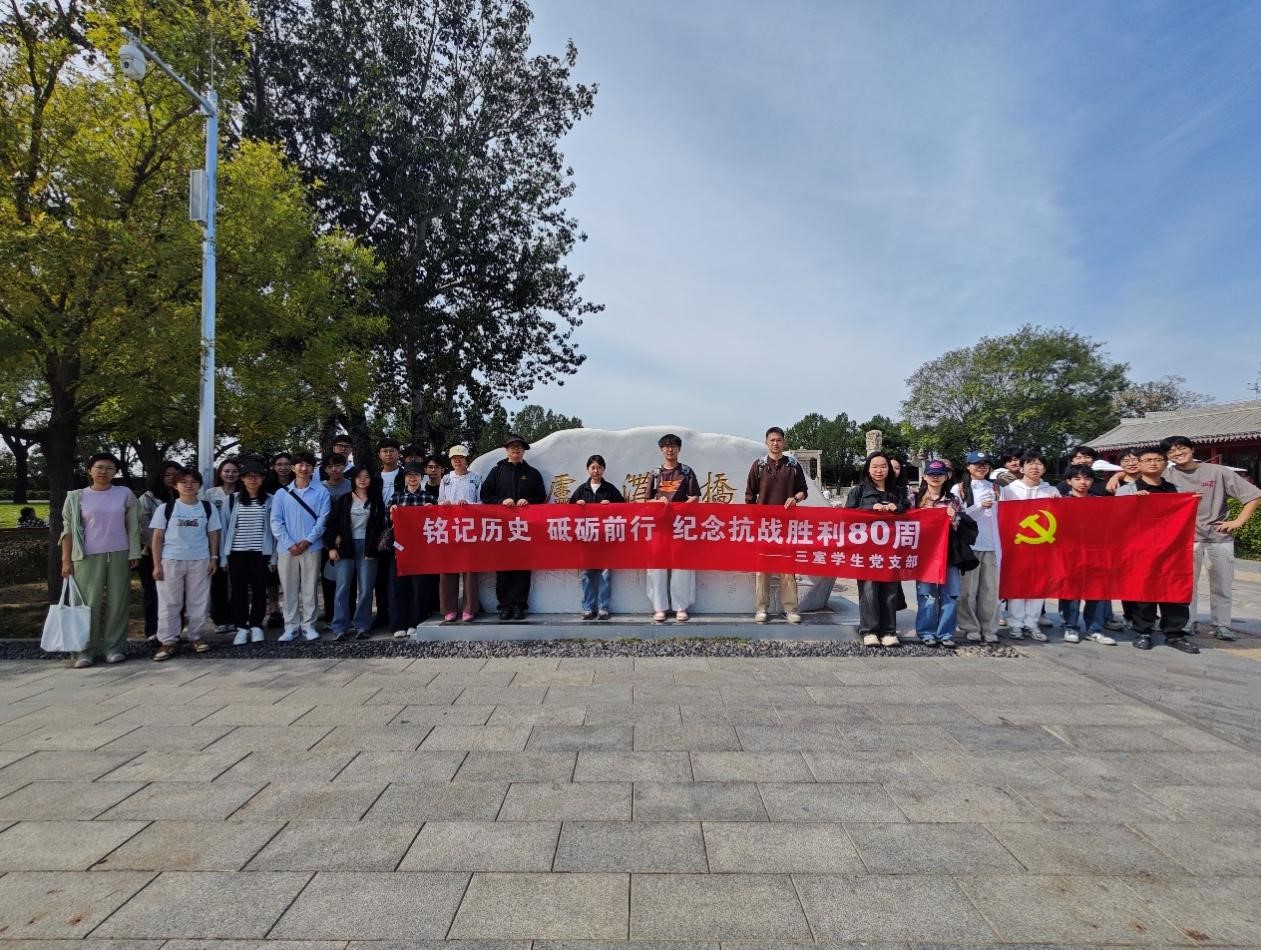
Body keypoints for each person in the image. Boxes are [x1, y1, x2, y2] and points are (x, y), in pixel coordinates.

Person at [1161, 434, 1261, 641]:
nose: (1177, 453)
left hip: (1219, 538)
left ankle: (1222, 625)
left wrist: (1238, 521)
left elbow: (1254, 496)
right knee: (1187, 585)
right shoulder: (1167, 475)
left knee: (1222, 585)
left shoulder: (1218, 472)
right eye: (1171, 451)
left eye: (1181, 448)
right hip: (1185, 540)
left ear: (1192, 449)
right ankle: (1188, 622)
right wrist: (1117, 477)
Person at [59, 453, 142, 668]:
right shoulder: (76, 497)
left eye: (109, 468)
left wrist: (134, 552)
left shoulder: (124, 494)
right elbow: (67, 530)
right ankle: (85, 650)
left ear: (115, 472)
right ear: (90, 470)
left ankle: (114, 648)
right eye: (99, 467)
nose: (104, 471)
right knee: (87, 604)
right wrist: (66, 560)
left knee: (118, 602)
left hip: (119, 553)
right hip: (86, 556)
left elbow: (133, 525)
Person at [1118, 446, 1200, 654]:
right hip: (1140, 549)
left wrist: (1192, 503)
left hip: (1172, 550)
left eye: (1158, 460)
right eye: (1148, 460)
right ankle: (1143, 631)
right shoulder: (1127, 490)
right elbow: (1118, 518)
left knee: (1174, 589)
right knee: (1142, 589)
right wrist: (1133, 503)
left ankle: (1175, 634)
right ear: (1139, 464)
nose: (1153, 463)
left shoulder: (1178, 491)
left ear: (1165, 464)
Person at [149, 467, 221, 661]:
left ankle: (196, 636)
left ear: (199, 485)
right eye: (184, 482)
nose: (189, 485)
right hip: (171, 559)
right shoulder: (166, 508)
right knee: (169, 602)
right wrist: (157, 565)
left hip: (200, 559)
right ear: (175, 485)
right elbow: (157, 537)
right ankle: (168, 641)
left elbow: (213, 534)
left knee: (198, 601)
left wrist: (214, 558)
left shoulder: (208, 508)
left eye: (193, 482)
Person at [844, 451, 907, 648]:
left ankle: (889, 631)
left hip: (891, 550)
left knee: (890, 590)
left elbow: (909, 512)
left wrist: (897, 508)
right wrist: (870, 509)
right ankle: (869, 630)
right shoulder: (858, 491)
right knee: (868, 590)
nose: (879, 470)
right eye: (874, 466)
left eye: (883, 466)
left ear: (889, 469)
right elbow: (847, 516)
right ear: (868, 469)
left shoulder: (898, 492)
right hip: (866, 550)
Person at [745, 426, 808, 624]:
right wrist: (754, 521)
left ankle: (790, 608)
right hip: (764, 526)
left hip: (787, 525)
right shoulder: (759, 465)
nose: (775, 443)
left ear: (784, 442)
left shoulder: (793, 465)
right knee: (762, 569)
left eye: (779, 440)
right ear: (766, 442)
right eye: (772, 440)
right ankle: (761, 608)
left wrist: (795, 499)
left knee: (787, 569)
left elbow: (803, 491)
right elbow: (749, 496)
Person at [481, 433, 547, 620]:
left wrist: (529, 500)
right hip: (502, 527)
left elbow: (541, 496)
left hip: (524, 528)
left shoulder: (532, 473)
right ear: (506, 450)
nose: (516, 449)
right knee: (503, 567)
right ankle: (504, 605)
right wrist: (501, 501)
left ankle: (519, 605)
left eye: (519, 447)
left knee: (522, 567)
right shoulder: (497, 471)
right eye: (512, 447)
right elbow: (485, 494)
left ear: (524, 451)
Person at [269, 451, 331, 642]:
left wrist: (308, 540)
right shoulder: (281, 494)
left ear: (313, 469)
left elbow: (323, 519)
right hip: (286, 549)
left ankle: (308, 625)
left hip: (311, 547)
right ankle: (291, 626)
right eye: (300, 465)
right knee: (288, 588)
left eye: (308, 465)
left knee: (309, 587)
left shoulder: (321, 491)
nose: (304, 468)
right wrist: (289, 543)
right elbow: (276, 521)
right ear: (293, 468)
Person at [999, 450, 1060, 640]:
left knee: (1038, 585)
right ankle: (1015, 624)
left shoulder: (1051, 491)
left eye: (1039, 464)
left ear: (1044, 469)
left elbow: (1061, 518)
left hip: (1042, 546)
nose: (1035, 467)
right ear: (1022, 467)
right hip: (1017, 546)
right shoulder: (1009, 490)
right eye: (1030, 463)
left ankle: (1032, 624)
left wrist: (1059, 504)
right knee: (1017, 585)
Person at [642, 433, 701, 623]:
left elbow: (695, 497)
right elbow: (646, 500)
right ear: (661, 450)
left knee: (680, 566)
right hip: (659, 526)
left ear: (679, 449)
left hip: (680, 525)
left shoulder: (686, 471)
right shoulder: (655, 473)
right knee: (657, 567)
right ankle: (659, 607)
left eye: (673, 446)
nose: (670, 449)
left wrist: (683, 506)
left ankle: (680, 607)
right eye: (666, 446)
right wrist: (658, 502)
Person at [1056, 464, 1116, 645]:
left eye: (1087, 478)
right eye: (1077, 479)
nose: (1083, 482)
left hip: (1096, 552)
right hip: (1069, 553)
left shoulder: (1101, 502)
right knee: (1070, 591)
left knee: (1097, 590)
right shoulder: (1060, 502)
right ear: (1069, 481)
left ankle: (1095, 629)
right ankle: (1070, 626)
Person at [324, 466, 385, 640]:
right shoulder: (344, 499)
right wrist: (331, 547)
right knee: (342, 587)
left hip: (368, 547)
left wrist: (374, 548)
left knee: (366, 588)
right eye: (359, 477)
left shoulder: (376, 500)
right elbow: (332, 524)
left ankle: (362, 625)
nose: (363, 480)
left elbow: (380, 526)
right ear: (353, 479)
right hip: (346, 546)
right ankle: (340, 626)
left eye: (366, 476)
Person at [912, 459, 965, 648]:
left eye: (939, 474)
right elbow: (905, 522)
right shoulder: (915, 499)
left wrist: (954, 517)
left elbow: (963, 526)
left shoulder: (954, 500)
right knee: (927, 595)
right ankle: (926, 632)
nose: (935, 477)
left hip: (949, 553)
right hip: (925, 554)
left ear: (946, 477)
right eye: (931, 474)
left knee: (950, 595)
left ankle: (946, 633)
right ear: (925, 477)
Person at [220, 461, 274, 645]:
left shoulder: (270, 500)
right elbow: (224, 529)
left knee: (260, 590)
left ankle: (256, 625)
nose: (253, 479)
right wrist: (223, 558)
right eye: (248, 476)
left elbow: (273, 531)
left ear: (262, 479)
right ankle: (241, 627)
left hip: (261, 553)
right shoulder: (231, 500)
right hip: (237, 553)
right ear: (242, 479)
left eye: (257, 476)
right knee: (239, 591)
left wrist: (273, 557)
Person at [953, 451, 1000, 643]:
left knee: (990, 591)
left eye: (985, 464)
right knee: (967, 591)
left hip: (992, 545)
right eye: (977, 464)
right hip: (969, 546)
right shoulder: (959, 489)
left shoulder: (997, 488)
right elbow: (958, 516)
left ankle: (989, 627)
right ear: (968, 467)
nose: (981, 467)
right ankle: (970, 626)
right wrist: (980, 506)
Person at [571, 454, 625, 620]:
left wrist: (611, 506)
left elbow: (624, 509)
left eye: (599, 468)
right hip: (586, 540)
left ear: (604, 469)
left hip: (605, 540)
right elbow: (568, 512)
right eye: (593, 467)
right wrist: (577, 506)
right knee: (587, 575)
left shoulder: (610, 489)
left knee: (605, 575)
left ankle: (603, 608)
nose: (596, 471)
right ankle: (588, 608)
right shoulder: (581, 490)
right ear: (588, 469)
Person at [437, 445, 483, 622]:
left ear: (466, 459)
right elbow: (440, 502)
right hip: (449, 528)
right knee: (448, 568)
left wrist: (469, 505)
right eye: (454, 458)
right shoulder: (446, 479)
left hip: (470, 527)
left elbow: (482, 502)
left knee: (469, 569)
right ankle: (449, 608)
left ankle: (469, 608)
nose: (457, 460)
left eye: (461, 457)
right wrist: (445, 504)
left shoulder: (476, 478)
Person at [136, 461, 180, 640]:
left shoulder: (186, 497)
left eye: (175, 475)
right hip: (151, 553)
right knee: (152, 593)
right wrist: (160, 546)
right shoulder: (147, 499)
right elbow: (144, 527)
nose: (171, 478)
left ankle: (174, 631)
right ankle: (153, 631)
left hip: (178, 554)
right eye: (167, 474)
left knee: (176, 594)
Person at [390, 460, 434, 637]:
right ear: (404, 478)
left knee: (419, 587)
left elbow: (436, 524)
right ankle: (399, 624)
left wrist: (432, 511)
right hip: (399, 549)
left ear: (421, 477)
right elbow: (388, 522)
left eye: (416, 475)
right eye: (409, 475)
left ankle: (415, 622)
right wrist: (391, 513)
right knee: (399, 587)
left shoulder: (429, 498)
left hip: (421, 550)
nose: (413, 478)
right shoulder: (396, 497)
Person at [205, 458, 241, 636]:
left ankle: (236, 618)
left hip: (239, 543)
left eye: (234, 471)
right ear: (220, 473)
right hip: (216, 543)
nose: (230, 474)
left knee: (238, 583)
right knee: (218, 584)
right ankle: (220, 619)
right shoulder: (211, 494)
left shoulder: (243, 493)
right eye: (227, 471)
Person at [319, 452, 352, 623]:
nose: (334, 469)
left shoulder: (351, 485)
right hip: (323, 537)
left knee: (349, 579)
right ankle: (330, 616)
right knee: (328, 578)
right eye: (330, 466)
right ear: (325, 469)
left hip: (346, 537)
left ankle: (349, 614)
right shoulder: (319, 488)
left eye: (338, 465)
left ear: (344, 467)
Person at [262, 452, 294, 628]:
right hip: (271, 533)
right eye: (279, 464)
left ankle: (293, 610)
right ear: (273, 467)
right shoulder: (266, 486)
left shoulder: (299, 483)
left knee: (292, 576)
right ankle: (274, 609)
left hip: (294, 535)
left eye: (286, 464)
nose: (283, 467)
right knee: (271, 574)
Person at [373, 438, 403, 630]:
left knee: (398, 574)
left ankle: (398, 614)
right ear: (379, 454)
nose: (388, 454)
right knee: (380, 575)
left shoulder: (405, 475)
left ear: (398, 453)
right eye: (385, 451)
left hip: (400, 530)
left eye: (392, 450)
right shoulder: (374, 478)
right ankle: (382, 613)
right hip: (378, 529)